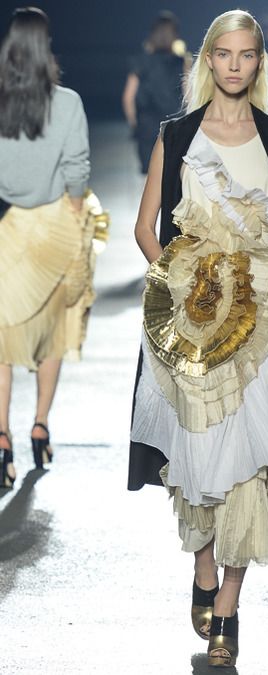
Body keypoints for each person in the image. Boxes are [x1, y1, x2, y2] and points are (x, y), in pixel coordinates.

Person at [128, 9, 268, 667]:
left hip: (262, 334)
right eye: (224, 54)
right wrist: (181, 289)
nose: (235, 66)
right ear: (207, 60)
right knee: (200, 455)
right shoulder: (176, 136)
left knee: (254, 468)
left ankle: (228, 612)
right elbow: (147, 229)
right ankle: (204, 567)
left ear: (258, 62)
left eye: (246, 55)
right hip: (195, 326)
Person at [0, 8, 92, 488]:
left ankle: (1, 439)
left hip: (8, 228)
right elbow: (77, 169)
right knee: (53, 335)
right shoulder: (68, 103)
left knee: (2, 343)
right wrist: (77, 216)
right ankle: (39, 426)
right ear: (47, 46)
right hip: (56, 226)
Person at [122, 11, 186, 173]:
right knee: (173, 175)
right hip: (174, 126)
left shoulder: (140, 61)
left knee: (149, 176)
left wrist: (134, 124)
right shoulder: (181, 62)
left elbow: (128, 97)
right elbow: (188, 96)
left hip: (147, 126)